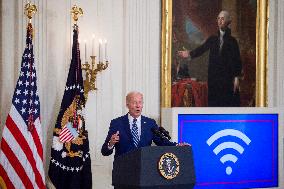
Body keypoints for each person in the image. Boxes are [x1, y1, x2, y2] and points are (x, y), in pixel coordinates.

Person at [178, 10, 242, 107]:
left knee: (227, 104)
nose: (220, 21)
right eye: (218, 18)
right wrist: (189, 54)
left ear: (228, 21)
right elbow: (201, 49)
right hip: (214, 78)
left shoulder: (233, 42)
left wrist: (236, 78)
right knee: (214, 104)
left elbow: (237, 60)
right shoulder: (212, 39)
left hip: (227, 79)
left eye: (223, 18)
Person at [101, 91, 187, 158]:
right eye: (134, 102)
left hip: (144, 170)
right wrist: (111, 144)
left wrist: (177, 145)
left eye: (140, 102)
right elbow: (104, 151)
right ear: (127, 105)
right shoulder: (117, 123)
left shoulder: (150, 123)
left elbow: (162, 142)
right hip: (123, 171)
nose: (138, 105)